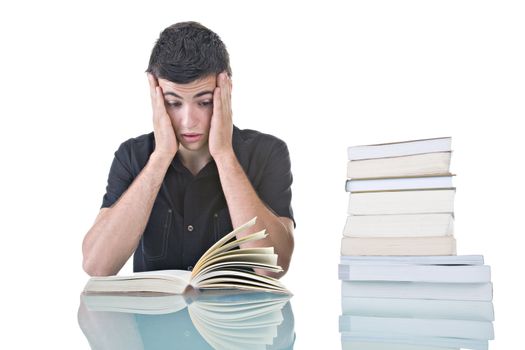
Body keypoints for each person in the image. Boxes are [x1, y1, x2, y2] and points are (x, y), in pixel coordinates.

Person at [82, 21, 295, 278]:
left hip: (237, 318)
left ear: (225, 92)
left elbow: (273, 266)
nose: (188, 121)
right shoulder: (132, 156)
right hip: (156, 318)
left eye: (204, 102)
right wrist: (160, 157)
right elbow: (97, 266)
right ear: (156, 98)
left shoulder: (268, 152)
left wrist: (224, 155)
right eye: (173, 103)